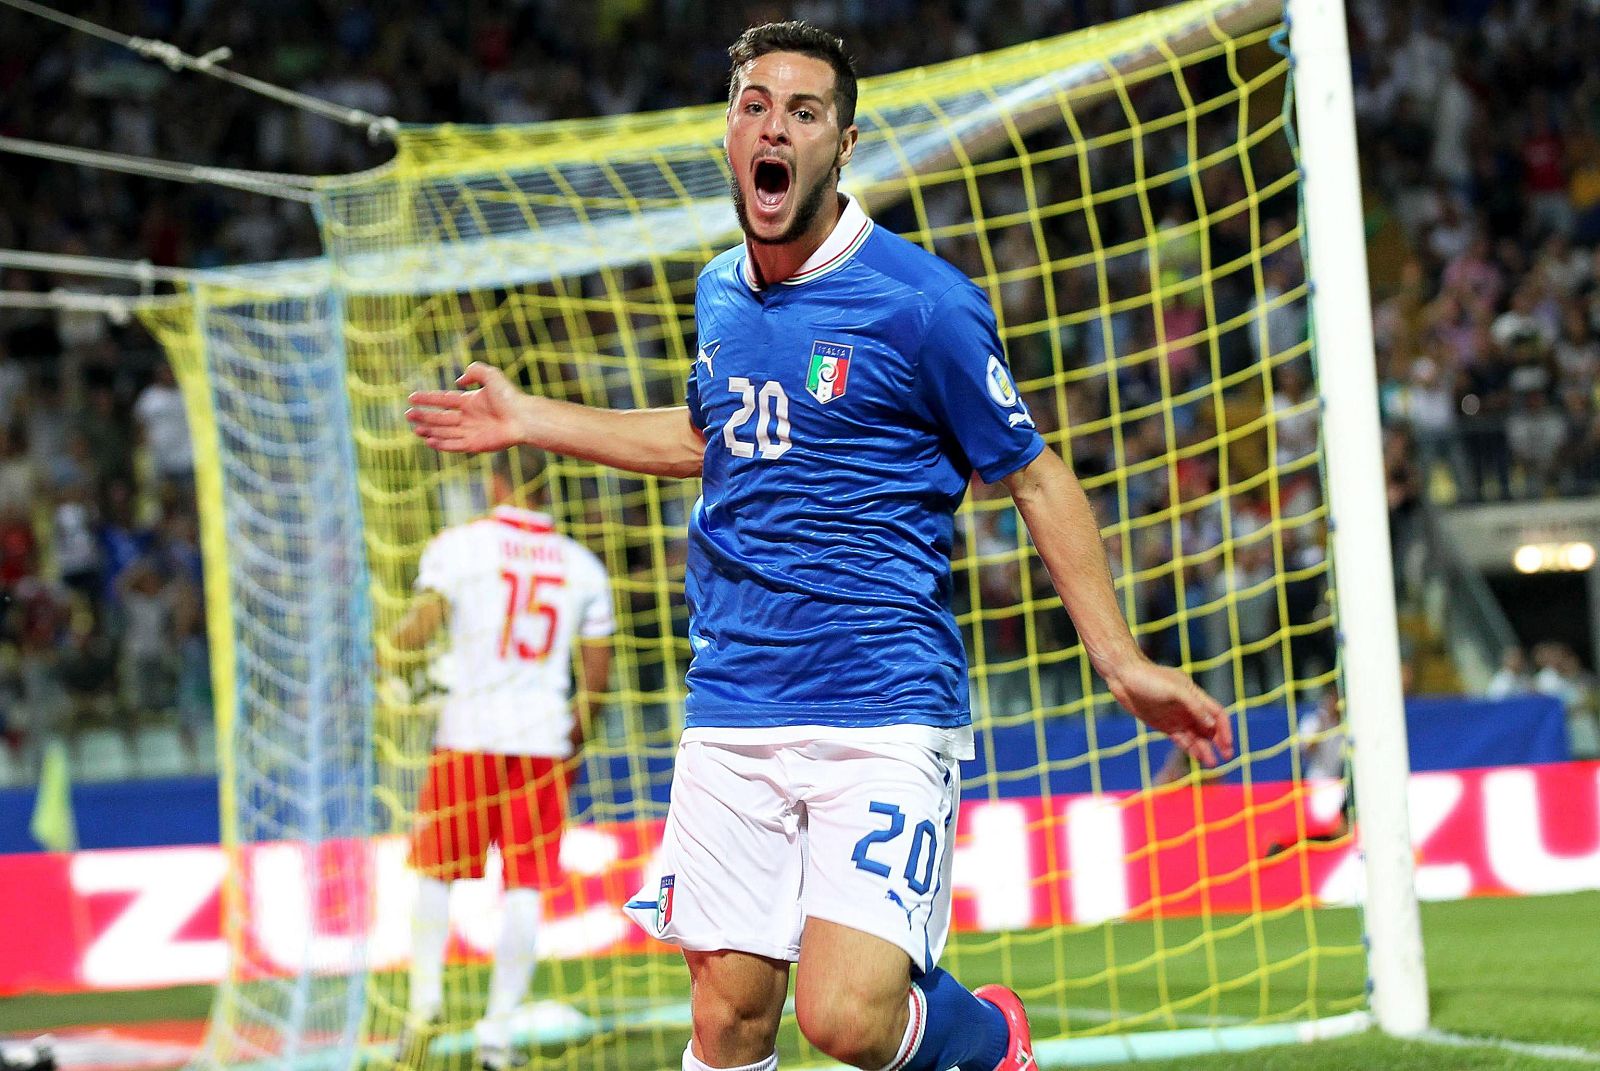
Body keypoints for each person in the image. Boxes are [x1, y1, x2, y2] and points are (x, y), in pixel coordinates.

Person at [407, 22, 1231, 1071]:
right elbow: (711, 437)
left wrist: (1120, 661)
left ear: (842, 144)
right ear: (728, 131)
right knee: (726, 1019)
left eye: (803, 113)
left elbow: (1034, 474)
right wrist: (531, 419)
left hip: (880, 703)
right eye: (755, 106)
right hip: (733, 700)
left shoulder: (922, 304)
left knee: (844, 1021)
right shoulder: (718, 289)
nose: (774, 129)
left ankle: (991, 1042)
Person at [388, 455, 614, 1071]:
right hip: (542, 740)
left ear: (495, 481)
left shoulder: (459, 547)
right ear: (548, 487)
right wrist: (575, 734)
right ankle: (498, 1034)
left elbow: (421, 627)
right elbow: (597, 674)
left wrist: (390, 657)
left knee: (435, 871)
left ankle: (425, 1004)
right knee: (525, 883)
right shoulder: (582, 565)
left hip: (468, 732)